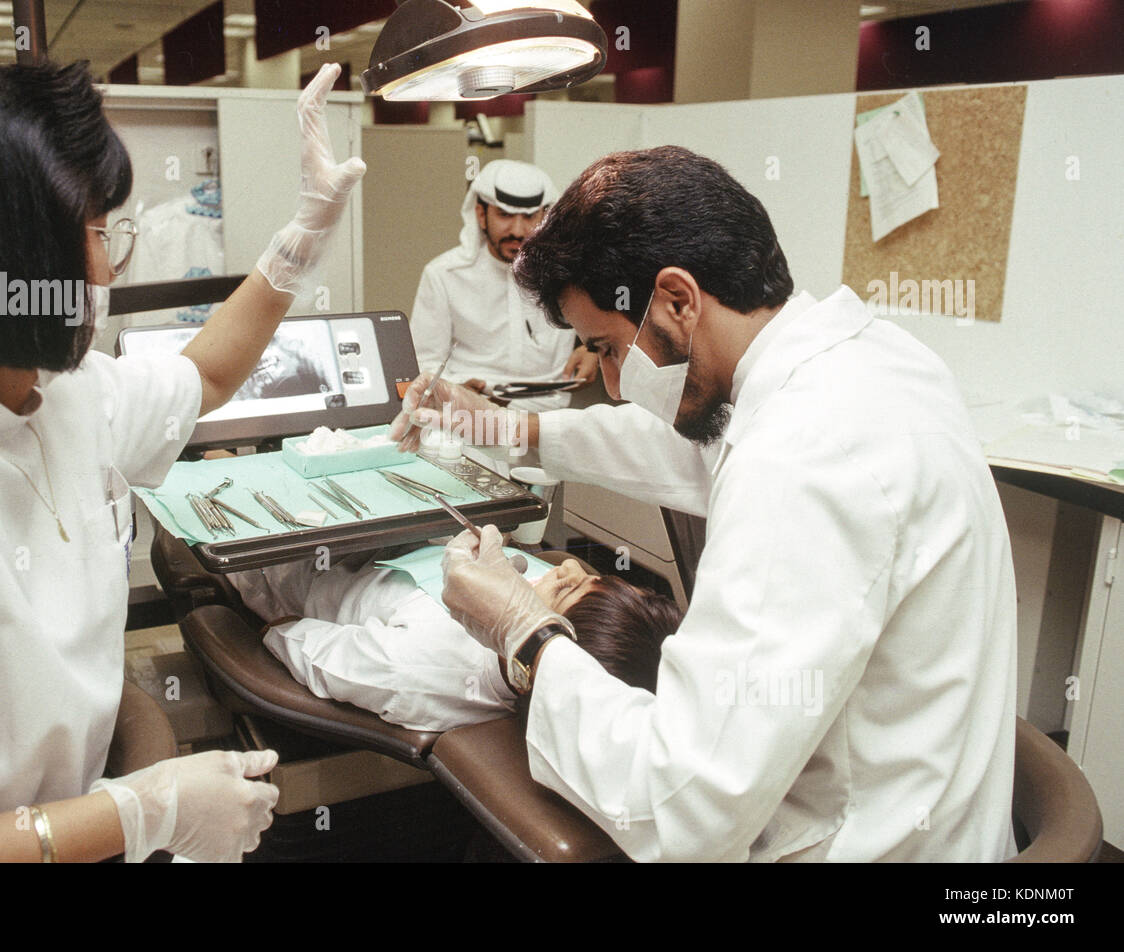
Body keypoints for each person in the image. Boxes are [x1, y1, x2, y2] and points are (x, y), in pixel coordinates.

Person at [392, 146, 1018, 862]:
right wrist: (497, 427)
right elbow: (691, 446)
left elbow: (679, 808)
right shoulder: (864, 363)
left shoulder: (801, 461)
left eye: (606, 348)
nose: (615, 384)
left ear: (678, 300)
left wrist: (526, 633)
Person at [0, 53, 364, 862]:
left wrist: (303, 235)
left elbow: (206, 373)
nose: (111, 267)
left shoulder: (61, 396)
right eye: (93, 233)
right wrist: (142, 813)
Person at [231, 548, 680, 732]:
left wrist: (273, 625)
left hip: (291, 565)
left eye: (567, 588)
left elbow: (306, 645)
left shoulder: (424, 669)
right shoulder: (558, 612)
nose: (568, 569)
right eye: (590, 575)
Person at [409, 160, 599, 413]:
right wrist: (455, 387)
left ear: (545, 216)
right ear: (481, 215)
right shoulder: (444, 275)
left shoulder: (568, 271)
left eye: (529, 216)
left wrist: (593, 349)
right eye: (505, 215)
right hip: (470, 412)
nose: (518, 231)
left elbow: (617, 312)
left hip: (549, 415)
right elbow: (424, 360)